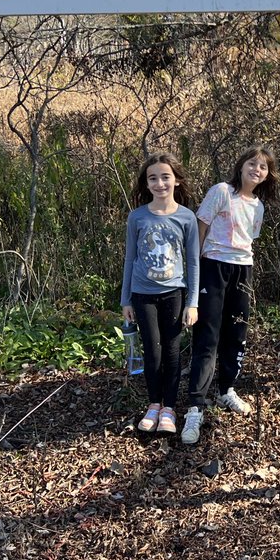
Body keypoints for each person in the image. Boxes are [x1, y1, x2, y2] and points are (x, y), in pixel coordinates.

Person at [181, 145, 279, 445]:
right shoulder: (221, 192)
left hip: (243, 270)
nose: (256, 170)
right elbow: (200, 229)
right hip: (213, 266)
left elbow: (248, 241)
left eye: (263, 167)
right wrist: (194, 271)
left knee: (236, 332)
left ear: (267, 175)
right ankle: (195, 406)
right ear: (241, 165)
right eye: (252, 163)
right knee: (207, 335)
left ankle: (226, 389)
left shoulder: (258, 206)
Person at [120, 152, 200, 437]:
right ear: (146, 183)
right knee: (152, 351)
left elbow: (193, 262)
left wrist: (192, 302)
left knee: (172, 350)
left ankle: (169, 408)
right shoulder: (137, 217)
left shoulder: (186, 217)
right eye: (152, 178)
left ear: (176, 180)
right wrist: (125, 299)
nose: (159, 183)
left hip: (173, 294)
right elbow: (130, 259)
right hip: (143, 294)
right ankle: (154, 404)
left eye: (165, 177)